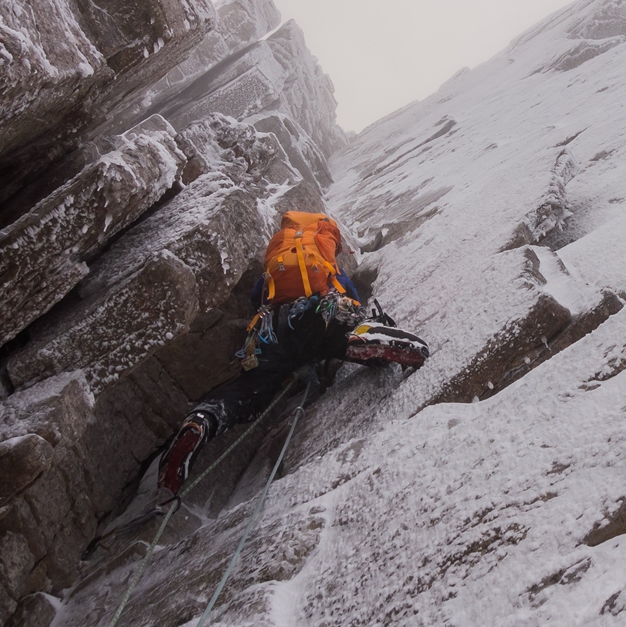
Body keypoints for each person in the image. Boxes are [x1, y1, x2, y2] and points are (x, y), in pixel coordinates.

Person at [156, 211, 428, 494]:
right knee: (340, 337)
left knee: (252, 390)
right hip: (316, 317)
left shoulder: (275, 267)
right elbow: (348, 297)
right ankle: (363, 339)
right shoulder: (324, 263)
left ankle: (204, 420)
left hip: (271, 331)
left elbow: (257, 299)